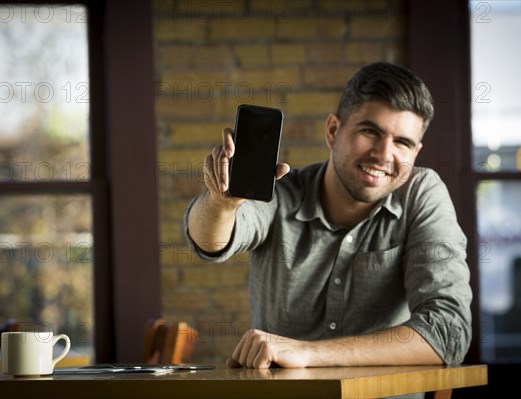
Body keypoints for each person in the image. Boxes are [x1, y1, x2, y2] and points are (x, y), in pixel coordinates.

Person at [184, 62, 472, 375]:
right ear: (333, 131)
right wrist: (220, 202)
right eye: (369, 132)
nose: (384, 154)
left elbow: (449, 332)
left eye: (402, 142)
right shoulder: (282, 192)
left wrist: (308, 353)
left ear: (416, 151)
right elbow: (209, 241)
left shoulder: (421, 193)